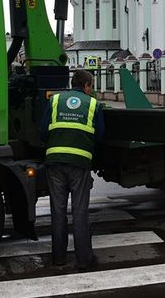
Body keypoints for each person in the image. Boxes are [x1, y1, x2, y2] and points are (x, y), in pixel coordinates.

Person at [39, 69, 105, 269]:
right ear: (86, 85)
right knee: (79, 212)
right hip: (79, 165)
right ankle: (84, 260)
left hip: (55, 163)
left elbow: (43, 132)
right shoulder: (93, 104)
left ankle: (58, 258)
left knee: (58, 212)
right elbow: (100, 136)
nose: (91, 90)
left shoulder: (55, 100)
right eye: (91, 86)